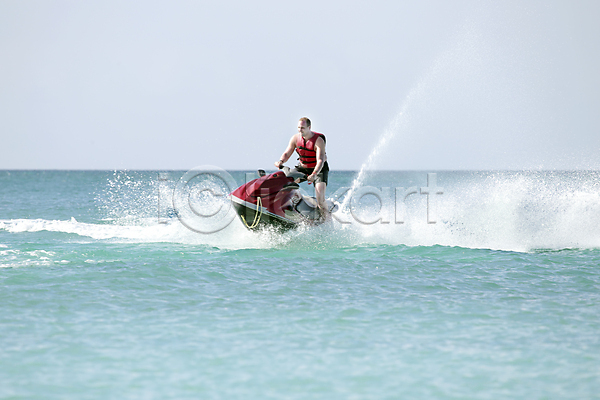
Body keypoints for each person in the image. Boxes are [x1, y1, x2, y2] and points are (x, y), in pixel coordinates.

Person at [275, 117, 329, 218]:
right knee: (284, 185)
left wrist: (314, 174)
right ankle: (289, 209)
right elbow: (287, 153)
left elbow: (320, 160)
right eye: (299, 127)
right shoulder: (295, 138)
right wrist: (280, 161)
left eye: (303, 128)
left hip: (319, 170)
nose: (300, 130)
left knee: (320, 199)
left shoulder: (318, 141)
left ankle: (327, 219)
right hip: (302, 168)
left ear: (309, 127)